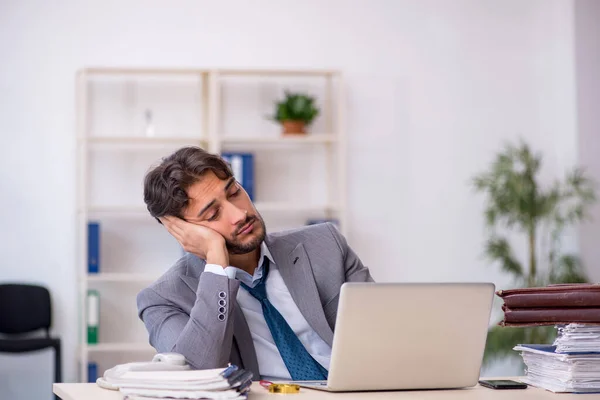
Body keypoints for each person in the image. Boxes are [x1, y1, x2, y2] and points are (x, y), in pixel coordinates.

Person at [137, 146, 373, 381]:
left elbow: (383, 335)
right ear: (184, 232)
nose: (239, 214)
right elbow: (197, 379)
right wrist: (217, 265)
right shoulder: (163, 298)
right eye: (212, 214)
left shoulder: (325, 244)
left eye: (233, 192)